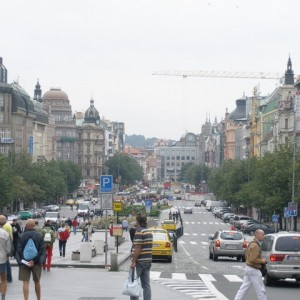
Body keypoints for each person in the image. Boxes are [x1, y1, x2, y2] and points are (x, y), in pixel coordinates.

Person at [15, 219, 45, 300]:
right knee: (37, 281)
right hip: (36, 262)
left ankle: (26, 299)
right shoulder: (39, 235)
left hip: (25, 263)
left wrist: (22, 261)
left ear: (26, 226)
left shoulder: (21, 236)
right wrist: (36, 261)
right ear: (34, 226)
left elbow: (19, 250)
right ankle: (38, 298)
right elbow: (42, 250)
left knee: (25, 282)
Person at [234, 229, 267, 300]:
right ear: (257, 235)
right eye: (262, 234)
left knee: (243, 288)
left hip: (248, 268)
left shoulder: (251, 243)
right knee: (261, 290)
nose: (263, 236)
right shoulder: (255, 245)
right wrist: (262, 261)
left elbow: (246, 256)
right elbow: (253, 259)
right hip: (254, 269)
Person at [130, 214, 153, 300]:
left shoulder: (139, 231)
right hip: (148, 261)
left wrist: (133, 261)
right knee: (146, 285)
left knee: (134, 283)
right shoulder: (149, 231)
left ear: (138, 221)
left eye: (135, 220)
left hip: (139, 262)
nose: (135, 222)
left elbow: (138, 248)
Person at [0, 215, 12, 300]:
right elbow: (9, 248)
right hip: (2, 260)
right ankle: (3, 297)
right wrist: (7, 255)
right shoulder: (5, 233)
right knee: (3, 279)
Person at [3, 218, 13, 283]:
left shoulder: (4, 226)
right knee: (7, 262)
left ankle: (7, 277)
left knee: (5, 262)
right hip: (8, 244)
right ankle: (9, 277)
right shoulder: (8, 225)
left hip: (4, 246)